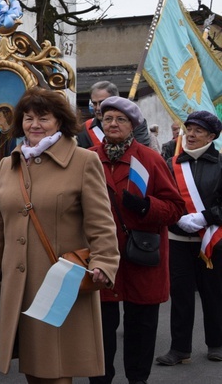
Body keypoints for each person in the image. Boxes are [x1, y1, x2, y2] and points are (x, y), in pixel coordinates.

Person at [0, 87, 120, 384]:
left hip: (60, 283)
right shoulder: (8, 164)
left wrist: (105, 263)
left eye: (43, 118)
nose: (34, 125)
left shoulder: (83, 161)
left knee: (56, 367)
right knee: (33, 366)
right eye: (28, 118)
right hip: (20, 284)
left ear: (60, 121)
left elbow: (102, 223)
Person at [87, 96, 184, 384]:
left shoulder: (149, 158)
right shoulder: (88, 157)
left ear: (132, 125)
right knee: (101, 330)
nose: (113, 124)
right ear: (101, 124)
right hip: (101, 258)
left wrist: (146, 207)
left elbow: (176, 208)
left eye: (121, 119)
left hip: (141, 257)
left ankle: (138, 380)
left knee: (141, 328)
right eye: (108, 119)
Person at [156, 111, 222, 365]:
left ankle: (216, 343)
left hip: (212, 240)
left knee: (214, 294)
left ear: (211, 136)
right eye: (189, 129)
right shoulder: (170, 163)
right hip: (178, 240)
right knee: (181, 296)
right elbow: (162, 198)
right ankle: (179, 348)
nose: (190, 135)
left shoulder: (220, 164)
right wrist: (176, 219)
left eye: (198, 131)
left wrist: (205, 217)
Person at [77, 81, 151, 149]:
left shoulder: (135, 123)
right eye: (94, 103)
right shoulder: (84, 129)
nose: (98, 108)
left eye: (102, 102)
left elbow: (142, 150)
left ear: (116, 100)